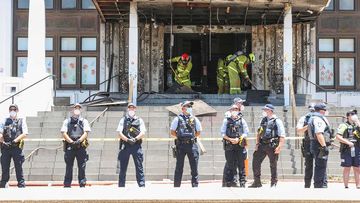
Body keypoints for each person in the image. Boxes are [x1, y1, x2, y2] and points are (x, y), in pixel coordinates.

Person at [249, 104, 285, 188]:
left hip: (272, 145)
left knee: (273, 164)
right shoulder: (263, 120)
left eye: (265, 110)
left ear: (270, 110)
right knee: (255, 162)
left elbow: (282, 135)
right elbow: (258, 133)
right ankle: (257, 182)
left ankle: (273, 183)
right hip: (262, 144)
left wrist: (279, 147)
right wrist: (257, 144)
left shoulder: (277, 121)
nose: (264, 111)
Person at [170, 101, 202, 187]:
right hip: (181, 145)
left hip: (192, 145)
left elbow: (198, 132)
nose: (189, 107)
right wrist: (180, 137)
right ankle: (177, 186)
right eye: (187, 106)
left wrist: (191, 137)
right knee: (179, 167)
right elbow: (172, 132)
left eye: (190, 106)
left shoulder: (195, 119)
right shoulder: (177, 119)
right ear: (182, 108)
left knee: (194, 167)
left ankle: (195, 186)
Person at [61, 103, 91, 188]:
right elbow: (63, 133)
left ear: (81, 110)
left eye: (78, 108)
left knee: (82, 166)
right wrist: (71, 142)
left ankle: (82, 183)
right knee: (69, 166)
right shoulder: (67, 121)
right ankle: (67, 184)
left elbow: (86, 132)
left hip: (80, 146)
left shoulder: (84, 121)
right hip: (70, 146)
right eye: (75, 108)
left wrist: (79, 141)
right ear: (72, 110)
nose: (77, 109)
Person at [116, 103, 146, 187]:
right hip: (126, 145)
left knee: (139, 166)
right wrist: (127, 139)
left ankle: (141, 185)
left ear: (135, 109)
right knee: (123, 167)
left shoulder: (139, 120)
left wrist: (135, 139)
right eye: (130, 108)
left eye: (133, 108)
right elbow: (119, 132)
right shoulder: (123, 120)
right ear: (128, 109)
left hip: (136, 145)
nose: (131, 110)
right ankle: (121, 186)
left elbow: (143, 132)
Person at [221, 104, 249, 187]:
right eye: (233, 109)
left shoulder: (242, 120)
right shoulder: (226, 120)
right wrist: (230, 139)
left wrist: (239, 138)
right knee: (230, 164)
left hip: (239, 145)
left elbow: (246, 132)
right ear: (230, 110)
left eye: (236, 109)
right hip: (229, 145)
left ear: (239, 110)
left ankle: (242, 182)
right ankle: (231, 181)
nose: (235, 110)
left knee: (241, 164)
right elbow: (222, 133)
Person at [0, 104, 28, 188]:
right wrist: (3, 141)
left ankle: (21, 184)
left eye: (14, 109)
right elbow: (0, 132)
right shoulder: (4, 120)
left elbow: (25, 133)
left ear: (17, 110)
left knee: (18, 167)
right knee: (5, 167)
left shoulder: (21, 120)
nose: (12, 111)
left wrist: (15, 141)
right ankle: (3, 183)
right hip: (5, 147)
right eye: (11, 109)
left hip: (16, 146)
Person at [307, 103, 332, 188]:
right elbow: (319, 133)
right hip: (319, 145)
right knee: (320, 166)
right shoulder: (318, 119)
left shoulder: (314, 117)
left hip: (317, 144)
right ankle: (319, 186)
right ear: (321, 110)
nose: (326, 111)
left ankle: (323, 184)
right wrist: (324, 146)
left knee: (322, 165)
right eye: (325, 110)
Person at [336, 110, 360, 189]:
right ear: (347, 116)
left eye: (355, 114)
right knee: (347, 167)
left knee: (357, 167)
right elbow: (338, 137)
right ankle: (346, 185)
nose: (354, 116)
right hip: (347, 149)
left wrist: (358, 122)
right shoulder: (344, 125)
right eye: (352, 114)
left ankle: (358, 185)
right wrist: (348, 142)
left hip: (357, 149)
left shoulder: (357, 125)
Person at [296, 104, 316, 188]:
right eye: (311, 109)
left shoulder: (320, 118)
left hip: (318, 142)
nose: (312, 111)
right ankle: (307, 185)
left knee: (321, 164)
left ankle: (320, 184)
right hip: (308, 142)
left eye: (314, 110)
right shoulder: (304, 118)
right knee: (308, 165)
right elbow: (299, 131)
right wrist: (308, 125)